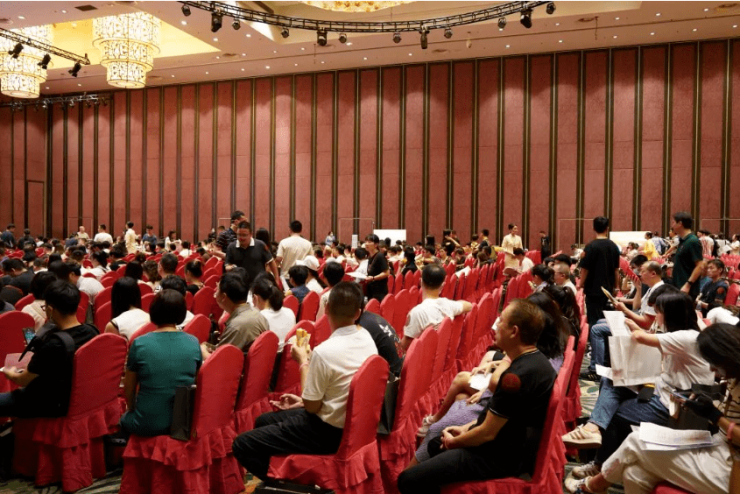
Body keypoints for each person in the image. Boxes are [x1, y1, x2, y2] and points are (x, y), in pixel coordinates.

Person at [397, 299, 557, 494]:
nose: (496, 324)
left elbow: (487, 433)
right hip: (510, 445)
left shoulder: (514, 378)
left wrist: (454, 442)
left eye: (501, 321)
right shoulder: (536, 360)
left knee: (407, 480)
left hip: (498, 457)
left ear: (514, 332)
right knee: (435, 444)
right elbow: (495, 420)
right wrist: (465, 428)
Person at [565, 322, 740, 494]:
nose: (711, 369)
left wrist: (715, 416)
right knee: (634, 473)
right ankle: (595, 480)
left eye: (714, 363)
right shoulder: (733, 378)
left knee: (636, 440)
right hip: (718, 444)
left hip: (730, 464)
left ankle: (593, 486)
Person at [231, 282, 378, 480]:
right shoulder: (367, 338)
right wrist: (303, 400)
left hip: (327, 432)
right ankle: (282, 475)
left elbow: (311, 406)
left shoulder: (325, 351)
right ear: (358, 313)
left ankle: (286, 483)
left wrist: (303, 361)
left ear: (326, 309)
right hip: (352, 424)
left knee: (242, 444)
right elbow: (338, 390)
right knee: (262, 420)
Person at [562, 291, 715, 480]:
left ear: (670, 314)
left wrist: (627, 325)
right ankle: (593, 428)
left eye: (658, 312)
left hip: (677, 407)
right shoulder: (682, 334)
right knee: (612, 380)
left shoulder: (686, 337)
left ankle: (599, 465)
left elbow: (639, 338)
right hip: (664, 391)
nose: (656, 316)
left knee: (614, 414)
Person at [0, 281, 98, 417]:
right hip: (80, 396)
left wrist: (8, 372)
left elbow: (23, 380)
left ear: (50, 310)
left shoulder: (54, 345)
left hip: (50, 402)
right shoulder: (93, 331)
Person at [120, 289, 201, 436]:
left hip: (146, 423)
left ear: (153, 311)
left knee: (123, 419)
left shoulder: (140, 343)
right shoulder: (194, 342)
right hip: (183, 423)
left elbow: (129, 389)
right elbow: (195, 382)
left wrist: (131, 409)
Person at [400, 264, 472, 351]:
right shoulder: (449, 305)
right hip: (442, 353)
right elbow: (469, 306)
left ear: (421, 282)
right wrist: (453, 303)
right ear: (442, 285)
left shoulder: (417, 312)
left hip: (423, 356)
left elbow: (404, 346)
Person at [202, 271, 269, 358]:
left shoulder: (236, 326)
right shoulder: (257, 314)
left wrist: (202, 350)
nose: (215, 292)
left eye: (217, 289)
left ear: (223, 297)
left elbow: (218, 361)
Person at [578, 216, 620, 328]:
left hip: (593, 290)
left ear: (593, 228)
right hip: (608, 289)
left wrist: (580, 284)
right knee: (606, 320)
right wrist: (616, 287)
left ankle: (594, 339)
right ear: (607, 228)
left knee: (593, 320)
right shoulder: (613, 246)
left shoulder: (590, 246)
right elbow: (616, 270)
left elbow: (585, 269)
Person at [251, 275, 295, 351]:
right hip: (288, 355)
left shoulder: (259, 318)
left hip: (268, 356)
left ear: (255, 298)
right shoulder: (290, 311)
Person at [671, 211, 705, 299]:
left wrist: (688, 284)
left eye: (673, 222)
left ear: (680, 223)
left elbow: (700, 266)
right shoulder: (683, 240)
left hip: (686, 289)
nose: (672, 226)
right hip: (679, 286)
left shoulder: (692, 241)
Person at [276, 220, 313, 285]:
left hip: (286, 276)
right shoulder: (308, 244)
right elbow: (311, 260)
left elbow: (279, 259)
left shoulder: (283, 242)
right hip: (302, 277)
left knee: (287, 292)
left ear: (290, 229)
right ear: (301, 230)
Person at [365, 234, 390, 302]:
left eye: (369, 242)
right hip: (372, 289)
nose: (366, 244)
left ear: (376, 245)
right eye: (366, 241)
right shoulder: (370, 256)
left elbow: (386, 273)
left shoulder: (380, 256)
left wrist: (373, 278)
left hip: (379, 291)